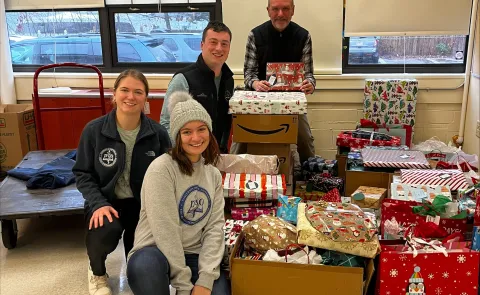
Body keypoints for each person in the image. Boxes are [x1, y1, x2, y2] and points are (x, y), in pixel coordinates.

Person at [73, 69, 171, 295]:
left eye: (138, 92)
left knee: (141, 261)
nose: (131, 97)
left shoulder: (157, 134)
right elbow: (82, 173)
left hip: (142, 206)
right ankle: (97, 273)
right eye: (124, 90)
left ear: (146, 98)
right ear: (113, 94)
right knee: (104, 228)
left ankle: (135, 269)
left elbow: (168, 175)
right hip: (106, 201)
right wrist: (97, 203)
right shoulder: (94, 131)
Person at [127, 91, 229, 295]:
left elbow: (214, 228)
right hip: (155, 250)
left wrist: (206, 279)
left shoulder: (214, 175)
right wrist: (184, 287)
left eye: (201, 129)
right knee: (144, 268)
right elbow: (166, 231)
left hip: (195, 253)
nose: (196, 137)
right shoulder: (161, 169)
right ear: (176, 136)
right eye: (187, 132)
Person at [242, 0, 316, 163]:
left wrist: (309, 84)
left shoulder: (303, 36)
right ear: (268, 10)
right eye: (275, 9)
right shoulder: (255, 35)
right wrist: (255, 84)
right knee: (240, 140)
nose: (280, 14)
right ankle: (235, 174)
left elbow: (309, 75)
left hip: (294, 104)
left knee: (306, 140)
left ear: (293, 10)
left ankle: (309, 179)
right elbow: (248, 74)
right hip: (260, 101)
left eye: (285, 9)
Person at [160, 21, 234, 153]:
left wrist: (222, 150)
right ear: (202, 45)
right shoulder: (183, 79)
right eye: (213, 42)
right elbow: (166, 124)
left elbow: (226, 123)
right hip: (189, 158)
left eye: (224, 44)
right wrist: (187, 154)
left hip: (217, 156)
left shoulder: (229, 80)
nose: (219, 48)